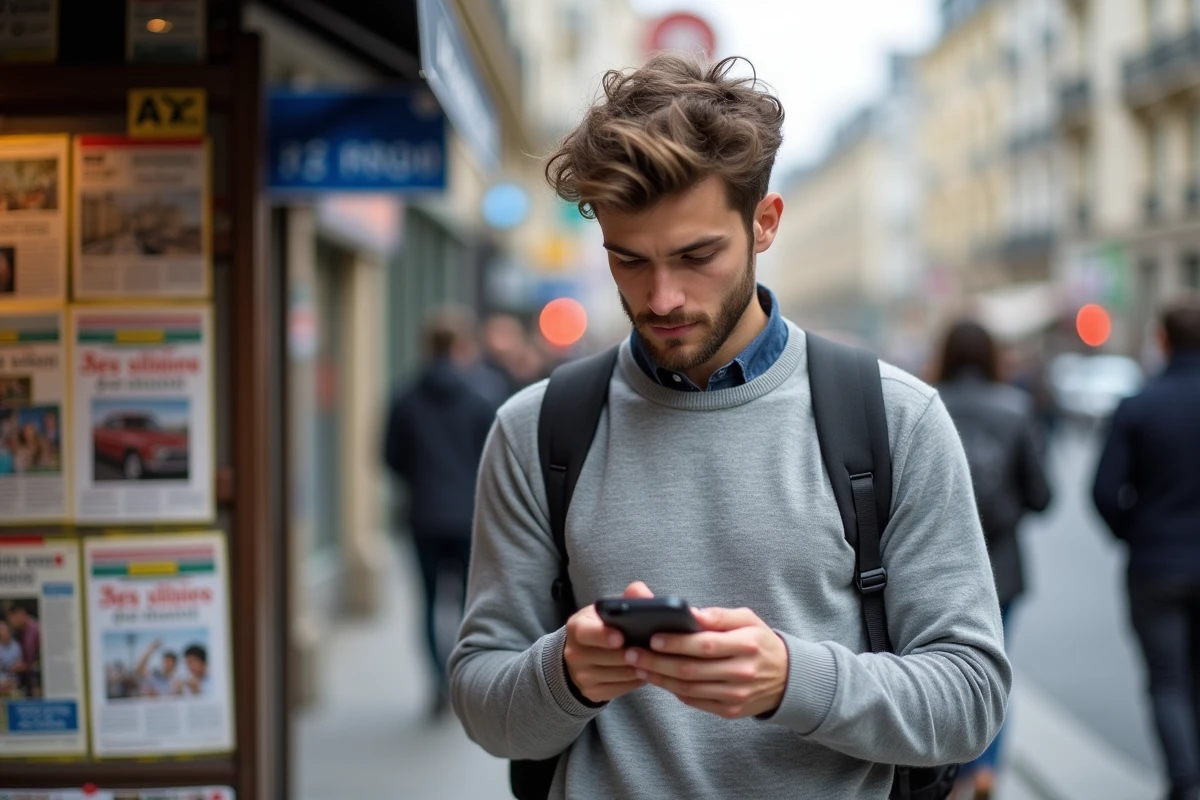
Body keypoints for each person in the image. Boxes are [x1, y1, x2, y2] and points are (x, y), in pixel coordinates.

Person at [450, 53, 1009, 799]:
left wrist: (790, 679)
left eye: (697, 255)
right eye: (629, 260)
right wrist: (567, 673)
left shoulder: (896, 419)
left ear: (765, 223)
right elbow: (486, 710)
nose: (662, 296)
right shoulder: (537, 431)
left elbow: (971, 702)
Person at [935, 320, 1052, 800]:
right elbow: (1042, 497)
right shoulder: (1016, 410)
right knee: (994, 668)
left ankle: (956, 773)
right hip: (1001, 567)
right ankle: (987, 768)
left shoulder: (921, 400)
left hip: (935, 568)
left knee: (942, 668)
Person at [1093, 294, 1200, 800]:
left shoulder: (1138, 406)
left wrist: (1134, 533)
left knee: (1167, 678)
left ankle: (1183, 780)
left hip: (1155, 563)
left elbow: (1103, 491)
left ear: (1161, 340)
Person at [384, 307, 501, 716]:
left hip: (425, 516)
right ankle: (466, 682)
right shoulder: (481, 397)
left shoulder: (405, 397)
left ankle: (437, 682)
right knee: (473, 605)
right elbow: (496, 457)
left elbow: (389, 457)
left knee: (429, 603)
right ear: (461, 346)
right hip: (471, 518)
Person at [6, 604, 39, 696]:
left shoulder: (33, 630)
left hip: (35, 670)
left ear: (20, 615)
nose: (11, 622)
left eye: (12, 618)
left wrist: (23, 665)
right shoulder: (18, 630)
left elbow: (29, 655)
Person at [0, 619, 25, 697]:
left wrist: (19, 666)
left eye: (4, 630)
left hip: (13, 682)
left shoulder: (16, 645)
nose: (3, 633)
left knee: (16, 694)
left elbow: (21, 664)